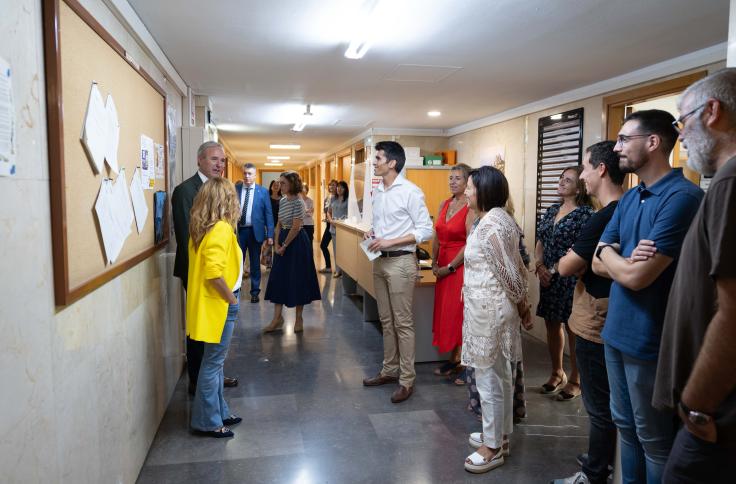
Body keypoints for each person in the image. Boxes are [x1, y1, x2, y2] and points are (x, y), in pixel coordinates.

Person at [592, 109, 703, 483]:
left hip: (650, 338)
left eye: (625, 140)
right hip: (616, 332)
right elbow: (596, 260)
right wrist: (615, 254)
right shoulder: (630, 196)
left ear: (652, 143)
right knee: (625, 426)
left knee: (654, 437)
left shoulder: (683, 197)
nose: (617, 147)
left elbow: (640, 277)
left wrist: (612, 255)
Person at [650, 69, 736, 483]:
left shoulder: (728, 183)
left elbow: (733, 311)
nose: (680, 136)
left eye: (682, 121)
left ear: (713, 111)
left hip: (716, 409)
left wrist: (697, 403)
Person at [550, 141, 625, 484]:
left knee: (599, 405)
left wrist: (578, 260)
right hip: (609, 310)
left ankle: (595, 472)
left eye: (583, 168)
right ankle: (601, 458)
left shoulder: (604, 216)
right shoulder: (627, 208)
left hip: (597, 315)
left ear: (601, 170)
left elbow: (568, 265)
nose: (581, 176)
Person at [461, 166, 533, 474]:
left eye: (470, 187)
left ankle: (492, 447)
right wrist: (522, 306)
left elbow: (512, 276)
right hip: (489, 308)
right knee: (501, 376)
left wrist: (521, 304)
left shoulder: (491, 224)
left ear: (484, 191)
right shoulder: (499, 218)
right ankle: (499, 436)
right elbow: (515, 264)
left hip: (489, 312)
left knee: (489, 379)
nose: (465, 192)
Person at [362, 141, 433, 404]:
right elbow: (382, 226)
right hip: (379, 261)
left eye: (378, 157)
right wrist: (374, 233)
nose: (374, 161)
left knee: (403, 323)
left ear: (392, 163)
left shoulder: (411, 192)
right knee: (386, 320)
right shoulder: (379, 191)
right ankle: (389, 370)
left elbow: (426, 230)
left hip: (402, 262)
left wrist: (391, 241)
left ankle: (406, 380)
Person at [171, 141, 238, 395]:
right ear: (199, 160)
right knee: (200, 328)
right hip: (198, 273)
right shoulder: (185, 191)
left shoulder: (219, 188)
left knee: (216, 327)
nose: (219, 164)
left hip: (215, 271)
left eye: (222, 160)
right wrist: (199, 278)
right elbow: (188, 237)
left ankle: (212, 376)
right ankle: (199, 381)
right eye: (213, 159)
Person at [186, 177, 243, 438]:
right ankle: (207, 421)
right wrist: (231, 299)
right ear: (226, 200)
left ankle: (220, 411)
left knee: (214, 363)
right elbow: (213, 273)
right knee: (213, 364)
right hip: (219, 304)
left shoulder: (201, 228)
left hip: (208, 305)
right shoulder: (220, 228)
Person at [535, 166, 594, 400]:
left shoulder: (586, 214)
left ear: (579, 187)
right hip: (548, 277)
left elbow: (584, 250)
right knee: (552, 324)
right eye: (560, 178)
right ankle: (557, 372)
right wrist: (539, 267)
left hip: (571, 278)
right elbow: (541, 240)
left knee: (572, 328)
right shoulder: (551, 210)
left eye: (567, 180)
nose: (561, 182)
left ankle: (576, 378)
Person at [263, 171, 321, 333]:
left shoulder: (299, 202)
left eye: (283, 183)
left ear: (292, 184)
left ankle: (299, 318)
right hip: (282, 239)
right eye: (279, 183)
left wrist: (284, 246)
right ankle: (276, 318)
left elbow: (296, 227)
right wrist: (276, 243)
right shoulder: (282, 201)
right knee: (278, 278)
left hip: (296, 242)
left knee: (297, 278)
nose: (279, 186)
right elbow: (279, 224)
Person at [431, 163, 473, 384]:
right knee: (446, 313)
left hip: (460, 265)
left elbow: (470, 243)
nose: (452, 182)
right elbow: (437, 234)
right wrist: (434, 261)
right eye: (450, 178)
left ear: (468, 182)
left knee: (460, 314)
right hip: (443, 263)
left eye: (457, 178)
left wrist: (450, 267)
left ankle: (467, 364)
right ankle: (454, 358)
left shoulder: (471, 207)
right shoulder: (444, 204)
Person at [235, 163, 274, 303]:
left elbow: (268, 214)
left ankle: (255, 292)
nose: (246, 176)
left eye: (249, 173)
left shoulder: (262, 192)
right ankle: (236, 289)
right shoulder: (235, 189)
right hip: (239, 231)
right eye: (245, 173)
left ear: (255, 175)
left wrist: (270, 235)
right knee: (237, 261)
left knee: (255, 263)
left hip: (255, 232)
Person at [327, 181, 349, 277]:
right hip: (334, 228)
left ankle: (345, 271)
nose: (339, 189)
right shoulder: (333, 199)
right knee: (336, 250)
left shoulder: (348, 200)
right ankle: (338, 270)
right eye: (338, 187)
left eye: (342, 187)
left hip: (344, 229)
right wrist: (331, 220)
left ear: (345, 189)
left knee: (344, 251)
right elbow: (328, 212)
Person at [319, 180, 338, 273]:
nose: (331, 187)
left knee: (338, 248)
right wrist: (327, 218)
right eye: (330, 185)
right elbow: (326, 211)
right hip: (328, 225)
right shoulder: (327, 198)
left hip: (336, 225)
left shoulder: (339, 198)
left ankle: (340, 270)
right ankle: (328, 267)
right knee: (323, 245)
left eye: (333, 185)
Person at [262, 180, 282, 270]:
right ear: (271, 187)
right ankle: (268, 264)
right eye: (274, 185)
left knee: (277, 244)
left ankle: (277, 263)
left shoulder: (283, 199)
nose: (276, 186)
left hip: (279, 225)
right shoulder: (267, 198)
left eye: (278, 185)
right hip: (268, 225)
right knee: (268, 245)